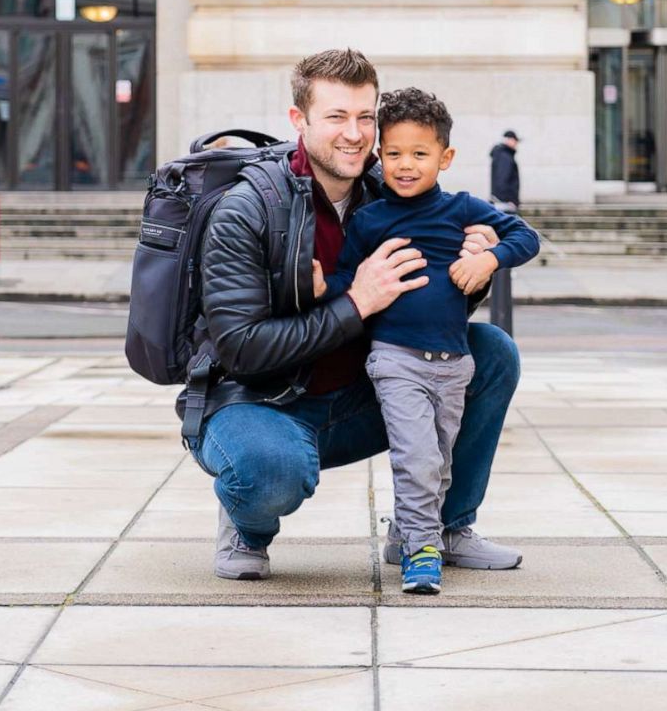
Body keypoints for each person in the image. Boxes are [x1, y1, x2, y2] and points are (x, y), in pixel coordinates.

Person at [179, 49, 527, 582]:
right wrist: (356, 301)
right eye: (337, 116)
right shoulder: (248, 210)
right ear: (300, 120)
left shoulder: (389, 191)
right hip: (264, 403)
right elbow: (242, 348)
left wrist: (471, 269)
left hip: (365, 395)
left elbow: (423, 302)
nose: (355, 134)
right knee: (270, 472)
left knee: (491, 353)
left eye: (366, 117)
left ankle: (435, 528)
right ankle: (244, 526)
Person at [314, 89, 539, 593]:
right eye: (393, 154)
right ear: (379, 156)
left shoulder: (462, 209)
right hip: (396, 360)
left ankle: (415, 535)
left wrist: (487, 260)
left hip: (454, 362)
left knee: (438, 463)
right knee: (415, 459)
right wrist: (319, 286)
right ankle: (421, 553)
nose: (406, 165)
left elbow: (526, 237)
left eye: (420, 154)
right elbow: (350, 279)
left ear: (446, 157)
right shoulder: (369, 220)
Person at [490, 130, 521, 212]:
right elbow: (502, 179)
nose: (516, 144)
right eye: (515, 140)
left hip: (502, 201)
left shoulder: (502, 155)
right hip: (505, 202)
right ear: (509, 140)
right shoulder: (505, 157)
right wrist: (509, 200)